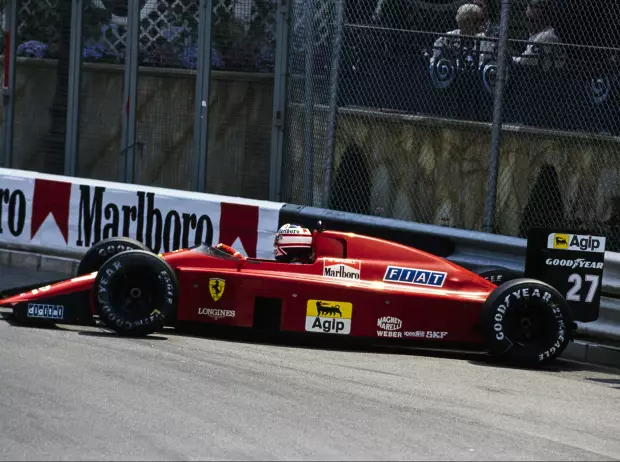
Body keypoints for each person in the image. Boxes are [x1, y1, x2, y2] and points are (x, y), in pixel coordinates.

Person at [215, 223, 314, 263]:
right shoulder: (296, 265)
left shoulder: (295, 269)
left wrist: (242, 261)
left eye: (278, 239)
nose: (276, 244)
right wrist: (241, 259)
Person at [513, 0, 565, 70]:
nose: (529, 24)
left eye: (532, 21)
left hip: (547, 76)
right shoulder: (534, 34)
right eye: (527, 20)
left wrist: (510, 58)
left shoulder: (546, 36)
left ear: (544, 19)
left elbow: (525, 61)